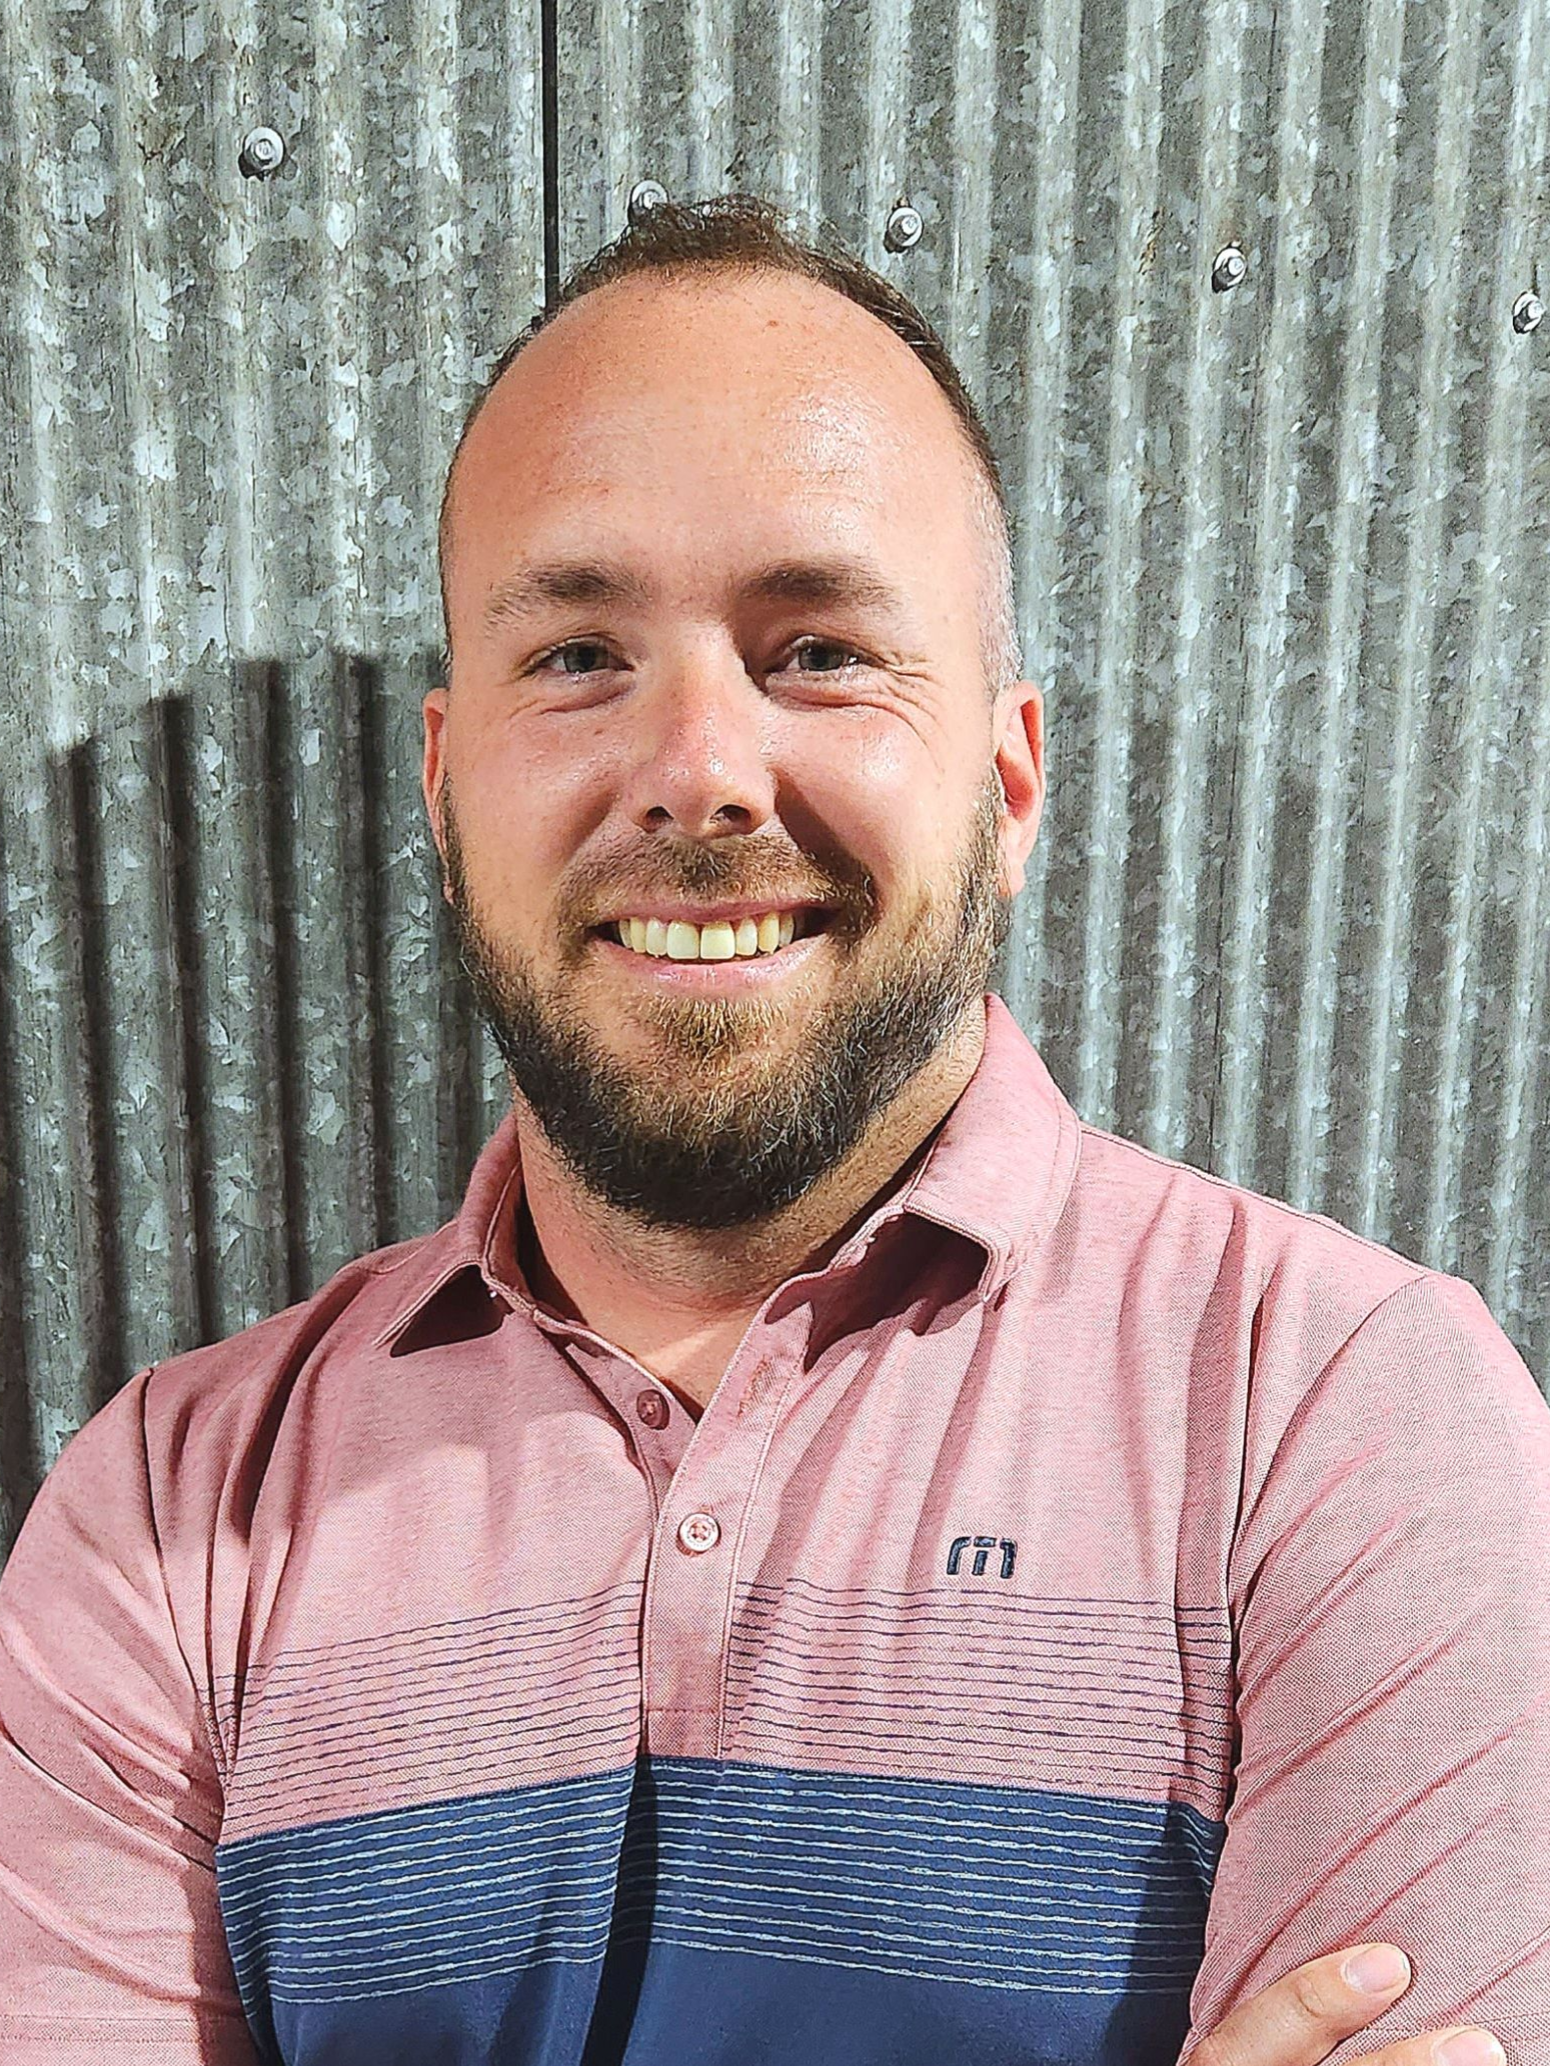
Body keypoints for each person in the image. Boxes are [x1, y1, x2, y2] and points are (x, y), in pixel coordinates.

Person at [0, 197, 1539, 2066]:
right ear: (443, 780)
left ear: (1005, 774)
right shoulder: (167, 1514)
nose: (702, 771)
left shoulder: (1344, 1418)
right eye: (577, 655)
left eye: (816, 647)